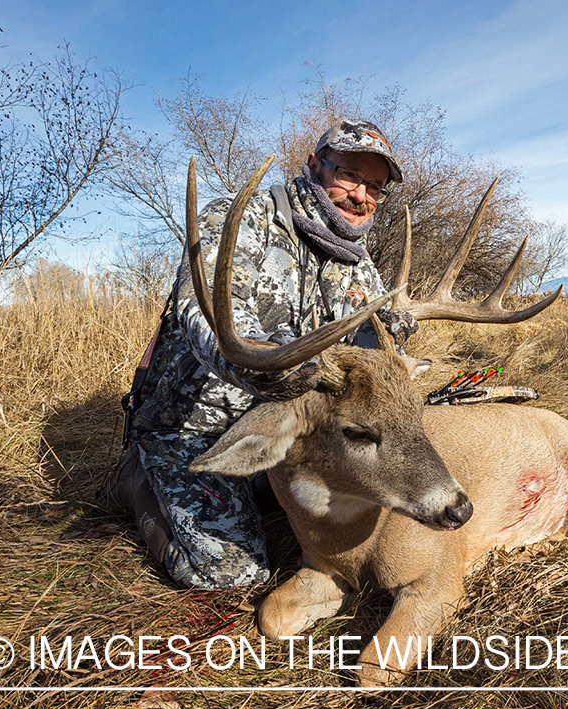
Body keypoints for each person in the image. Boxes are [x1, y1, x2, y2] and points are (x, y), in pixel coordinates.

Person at [99, 119, 417, 589]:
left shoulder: (357, 262)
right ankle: (139, 477)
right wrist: (275, 368)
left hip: (294, 435)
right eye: (350, 175)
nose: (361, 195)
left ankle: (260, 491)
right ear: (314, 165)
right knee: (235, 575)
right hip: (198, 431)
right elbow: (206, 317)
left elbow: (368, 353)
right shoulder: (240, 218)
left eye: (374, 187)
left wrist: (394, 338)